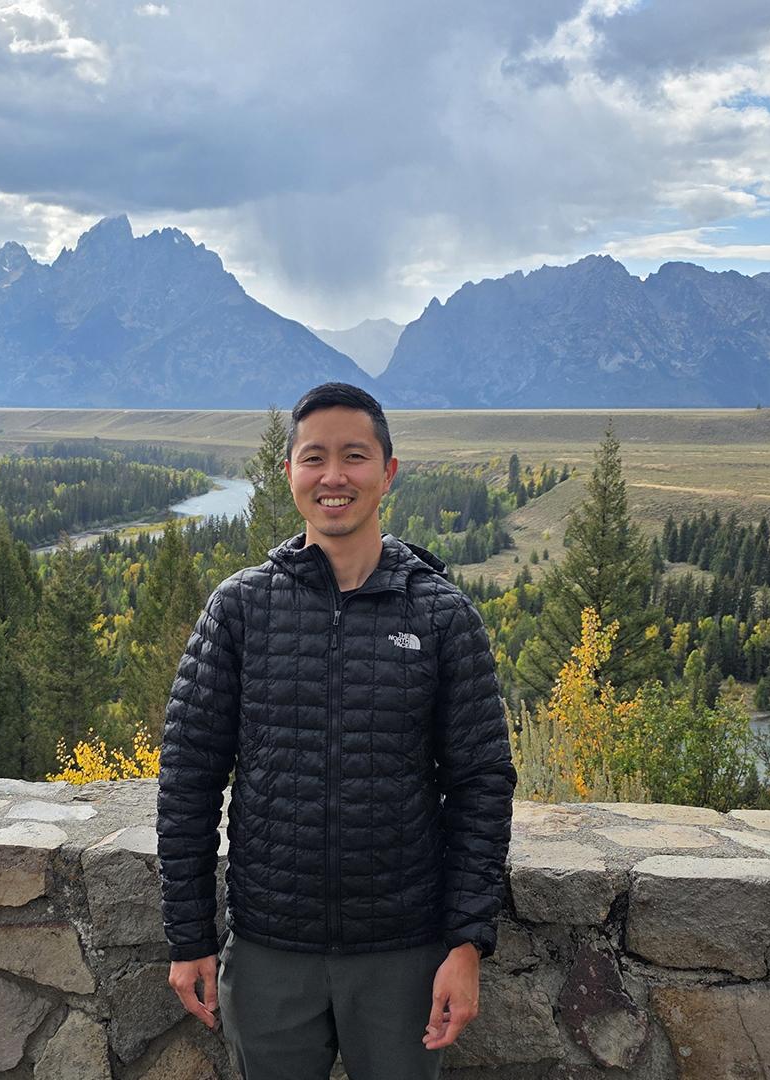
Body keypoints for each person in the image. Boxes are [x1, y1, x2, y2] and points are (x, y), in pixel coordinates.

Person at [158, 382, 517, 1079]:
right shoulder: (240, 609)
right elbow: (188, 780)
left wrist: (467, 943)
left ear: (388, 471)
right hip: (268, 951)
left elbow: (481, 785)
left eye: (354, 456)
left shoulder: (441, 616)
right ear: (288, 471)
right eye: (314, 457)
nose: (333, 476)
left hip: (404, 955)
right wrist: (189, 935)